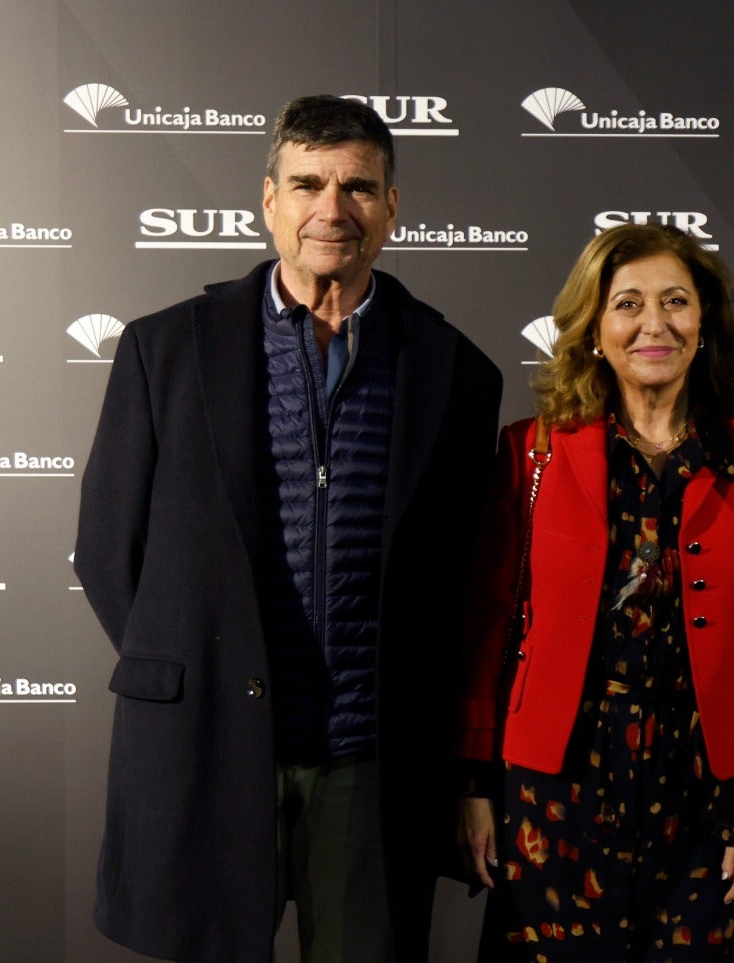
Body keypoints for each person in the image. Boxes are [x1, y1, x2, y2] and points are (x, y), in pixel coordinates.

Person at [74, 95, 502, 963]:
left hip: (368, 761)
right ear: (267, 199)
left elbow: (463, 579)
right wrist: (205, 664)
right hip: (211, 750)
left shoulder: (454, 370)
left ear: (392, 208)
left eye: (358, 187)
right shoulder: (165, 350)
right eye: (307, 183)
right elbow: (110, 550)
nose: (331, 209)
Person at [456, 224, 734, 961]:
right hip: (553, 790)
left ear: (704, 322)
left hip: (706, 795)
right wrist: (474, 785)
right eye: (628, 303)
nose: (654, 323)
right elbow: (488, 627)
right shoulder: (533, 450)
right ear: (594, 329)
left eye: (676, 301)